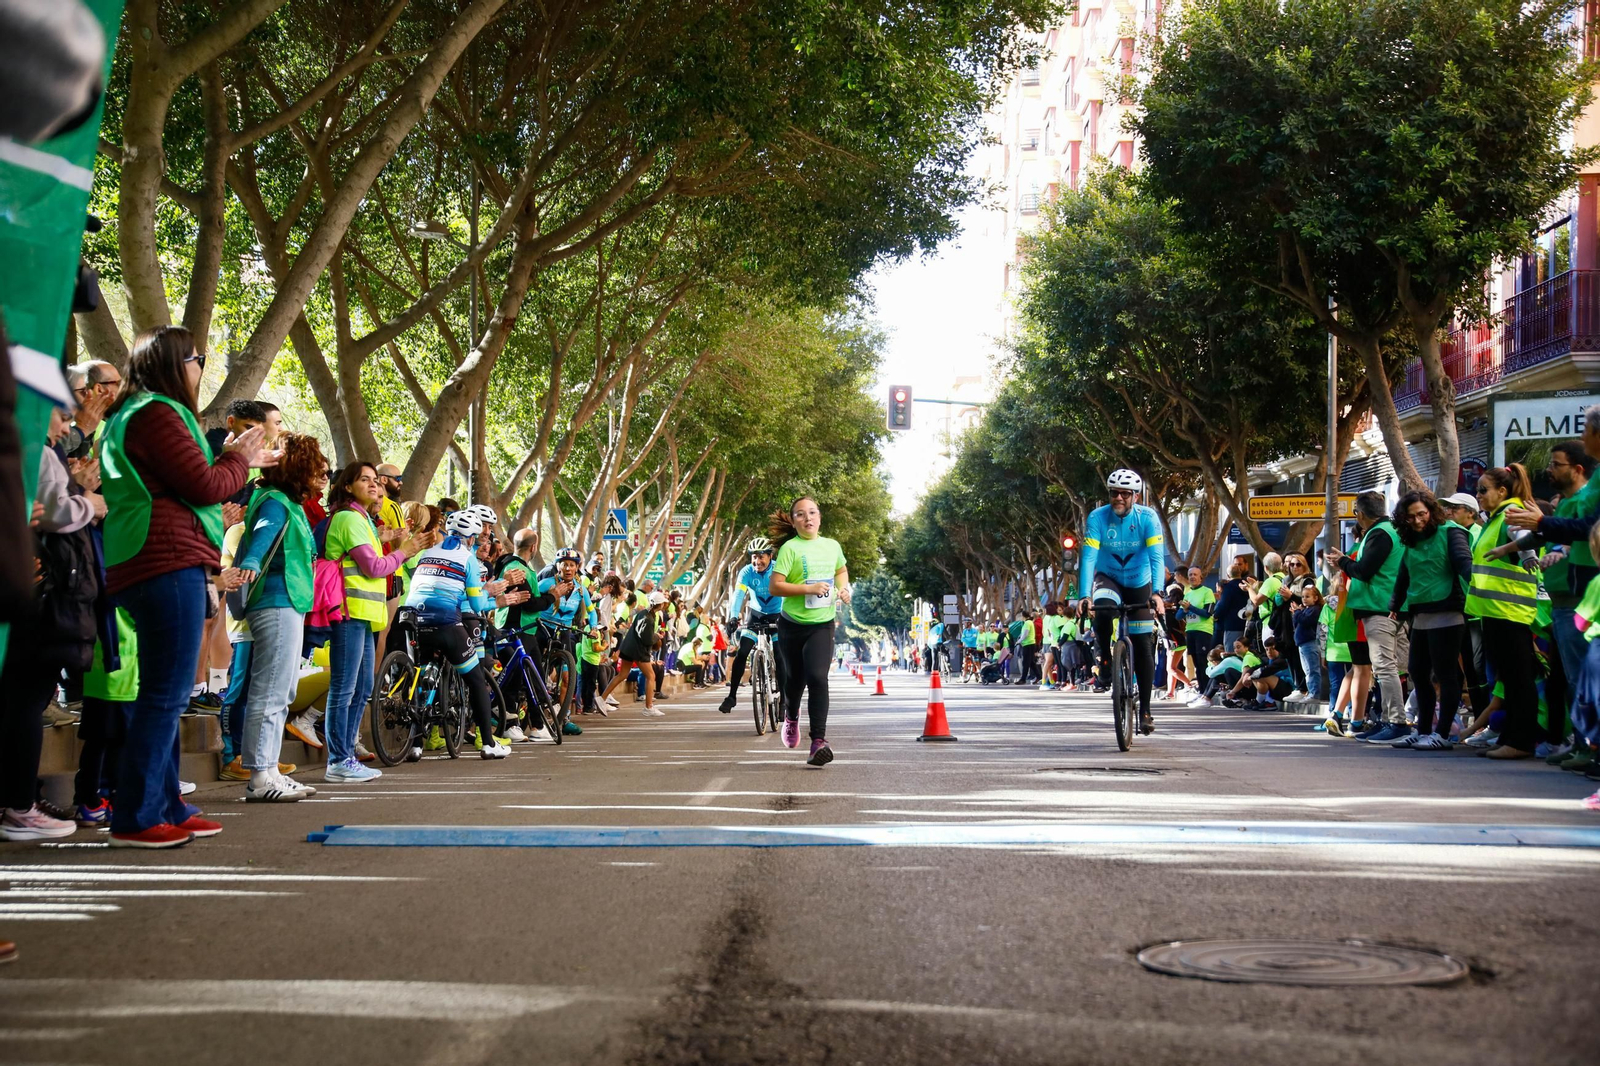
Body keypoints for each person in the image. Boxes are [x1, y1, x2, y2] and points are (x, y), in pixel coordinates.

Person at [97, 325, 276, 848]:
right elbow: (204, 484)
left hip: (144, 556)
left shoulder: (129, 415)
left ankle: (168, 804)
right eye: (198, 358)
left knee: (164, 693)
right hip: (166, 559)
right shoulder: (158, 412)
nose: (202, 367)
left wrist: (238, 461)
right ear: (177, 363)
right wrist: (238, 457)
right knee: (164, 694)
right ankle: (134, 816)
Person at [235, 434, 326, 800]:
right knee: (271, 688)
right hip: (276, 601)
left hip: (289, 601)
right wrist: (251, 564)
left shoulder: (285, 502)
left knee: (282, 688)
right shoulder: (275, 503)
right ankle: (260, 777)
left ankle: (269, 770)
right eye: (316, 466)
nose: (322, 473)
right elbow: (260, 540)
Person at [322, 461, 422, 781]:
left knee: (363, 687)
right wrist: (403, 551)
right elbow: (374, 567)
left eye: (374, 480)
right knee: (345, 688)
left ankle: (346, 754)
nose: (373, 485)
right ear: (347, 486)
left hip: (365, 616)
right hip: (349, 613)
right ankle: (338, 759)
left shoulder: (363, 518)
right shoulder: (349, 518)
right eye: (364, 480)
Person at [404, 509, 528, 758]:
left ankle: (415, 744)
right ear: (471, 538)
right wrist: (494, 593)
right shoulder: (468, 559)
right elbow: (478, 605)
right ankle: (489, 744)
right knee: (476, 679)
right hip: (445, 623)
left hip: (412, 619)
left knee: (421, 677)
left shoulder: (427, 553)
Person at [1079, 469, 1166, 734]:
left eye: (1124, 493)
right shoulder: (1097, 517)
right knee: (1103, 608)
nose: (1118, 497)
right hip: (1108, 578)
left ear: (1135, 496)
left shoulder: (1148, 518)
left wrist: (1158, 593)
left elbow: (1157, 558)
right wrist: (1085, 595)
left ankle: (1146, 711)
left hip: (1140, 582)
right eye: (1114, 492)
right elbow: (1089, 557)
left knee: (1143, 646)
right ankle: (1105, 658)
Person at [1466, 464, 1543, 759]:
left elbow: (1528, 544)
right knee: (1509, 679)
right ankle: (1511, 737)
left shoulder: (1511, 514)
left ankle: (1520, 741)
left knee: (1518, 678)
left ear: (1502, 491)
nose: (1479, 495)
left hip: (1510, 611)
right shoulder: (1497, 517)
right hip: (1497, 612)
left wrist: (1527, 556)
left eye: (1483, 490)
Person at [767, 497, 852, 765]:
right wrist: (808, 588)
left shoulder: (832, 546)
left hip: (822, 624)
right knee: (794, 682)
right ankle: (791, 717)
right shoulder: (790, 549)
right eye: (801, 515)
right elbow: (775, 587)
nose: (808, 518)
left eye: (812, 512)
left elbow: (841, 570)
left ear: (820, 516)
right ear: (794, 521)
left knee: (817, 677)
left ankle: (818, 741)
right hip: (792, 624)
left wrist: (844, 588)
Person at [1386, 490, 1473, 750]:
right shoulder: (1411, 540)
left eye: (1422, 514)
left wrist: (1478, 589)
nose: (1417, 521)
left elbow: (1463, 563)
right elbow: (1404, 572)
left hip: (1448, 611)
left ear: (1431, 511)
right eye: (1410, 517)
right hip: (1420, 613)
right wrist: (1395, 604)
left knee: (1446, 675)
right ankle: (1423, 730)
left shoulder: (1451, 532)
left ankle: (1443, 734)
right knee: (1418, 672)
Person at [1327, 492, 1408, 743]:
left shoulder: (1380, 534)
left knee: (1384, 667)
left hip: (1379, 607)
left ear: (1360, 514)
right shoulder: (1391, 531)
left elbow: (1364, 570)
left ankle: (1396, 722)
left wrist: (1342, 562)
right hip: (1390, 606)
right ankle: (1387, 720)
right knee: (1387, 667)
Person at [720, 537, 787, 714]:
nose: (757, 561)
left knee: (780, 655)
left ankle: (783, 701)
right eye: (754, 557)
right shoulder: (746, 572)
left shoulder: (779, 569)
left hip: (777, 615)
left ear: (770, 556)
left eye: (761, 557)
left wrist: (787, 615)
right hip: (755, 615)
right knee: (742, 653)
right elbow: (738, 595)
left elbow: (788, 592)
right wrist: (733, 617)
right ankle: (731, 696)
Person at [1178, 567, 1215, 707]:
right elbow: (1178, 615)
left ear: (1201, 577)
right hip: (1191, 630)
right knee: (1195, 662)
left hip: (1204, 631)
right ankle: (1201, 693)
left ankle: (1207, 695)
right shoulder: (1187, 594)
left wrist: (1191, 608)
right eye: (1190, 575)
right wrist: (1185, 609)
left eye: (1195, 575)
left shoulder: (1207, 591)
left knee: (1203, 661)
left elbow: (1208, 613)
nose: (1192, 577)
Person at [1214, 557, 1250, 653]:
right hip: (1247, 623)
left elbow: (1223, 605)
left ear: (1228, 575)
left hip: (1232, 625)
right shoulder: (1247, 585)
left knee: (1231, 652)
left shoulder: (1228, 587)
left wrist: (1215, 615)